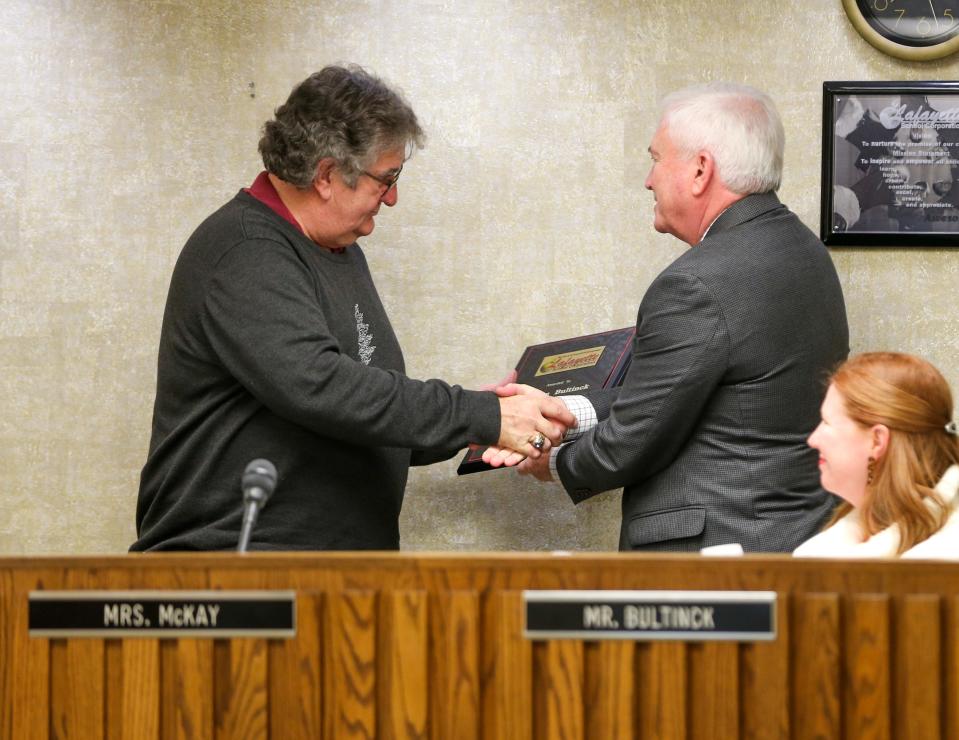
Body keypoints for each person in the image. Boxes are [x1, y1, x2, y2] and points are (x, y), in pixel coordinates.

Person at [132, 65, 573, 551]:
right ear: (325, 176)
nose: (394, 197)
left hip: (335, 570)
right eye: (387, 179)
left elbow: (362, 412)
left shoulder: (338, 251)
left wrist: (474, 420)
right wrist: (479, 414)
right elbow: (320, 386)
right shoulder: (244, 249)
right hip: (239, 567)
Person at [487, 82, 849, 552]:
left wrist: (550, 460)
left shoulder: (696, 283)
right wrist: (566, 412)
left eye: (656, 158)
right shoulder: (804, 250)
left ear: (700, 170)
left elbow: (633, 440)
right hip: (791, 535)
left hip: (714, 559)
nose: (647, 179)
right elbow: (682, 398)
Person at [795, 352, 959, 558]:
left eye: (827, 422)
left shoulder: (945, 564)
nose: (813, 439)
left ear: (877, 441)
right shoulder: (824, 551)